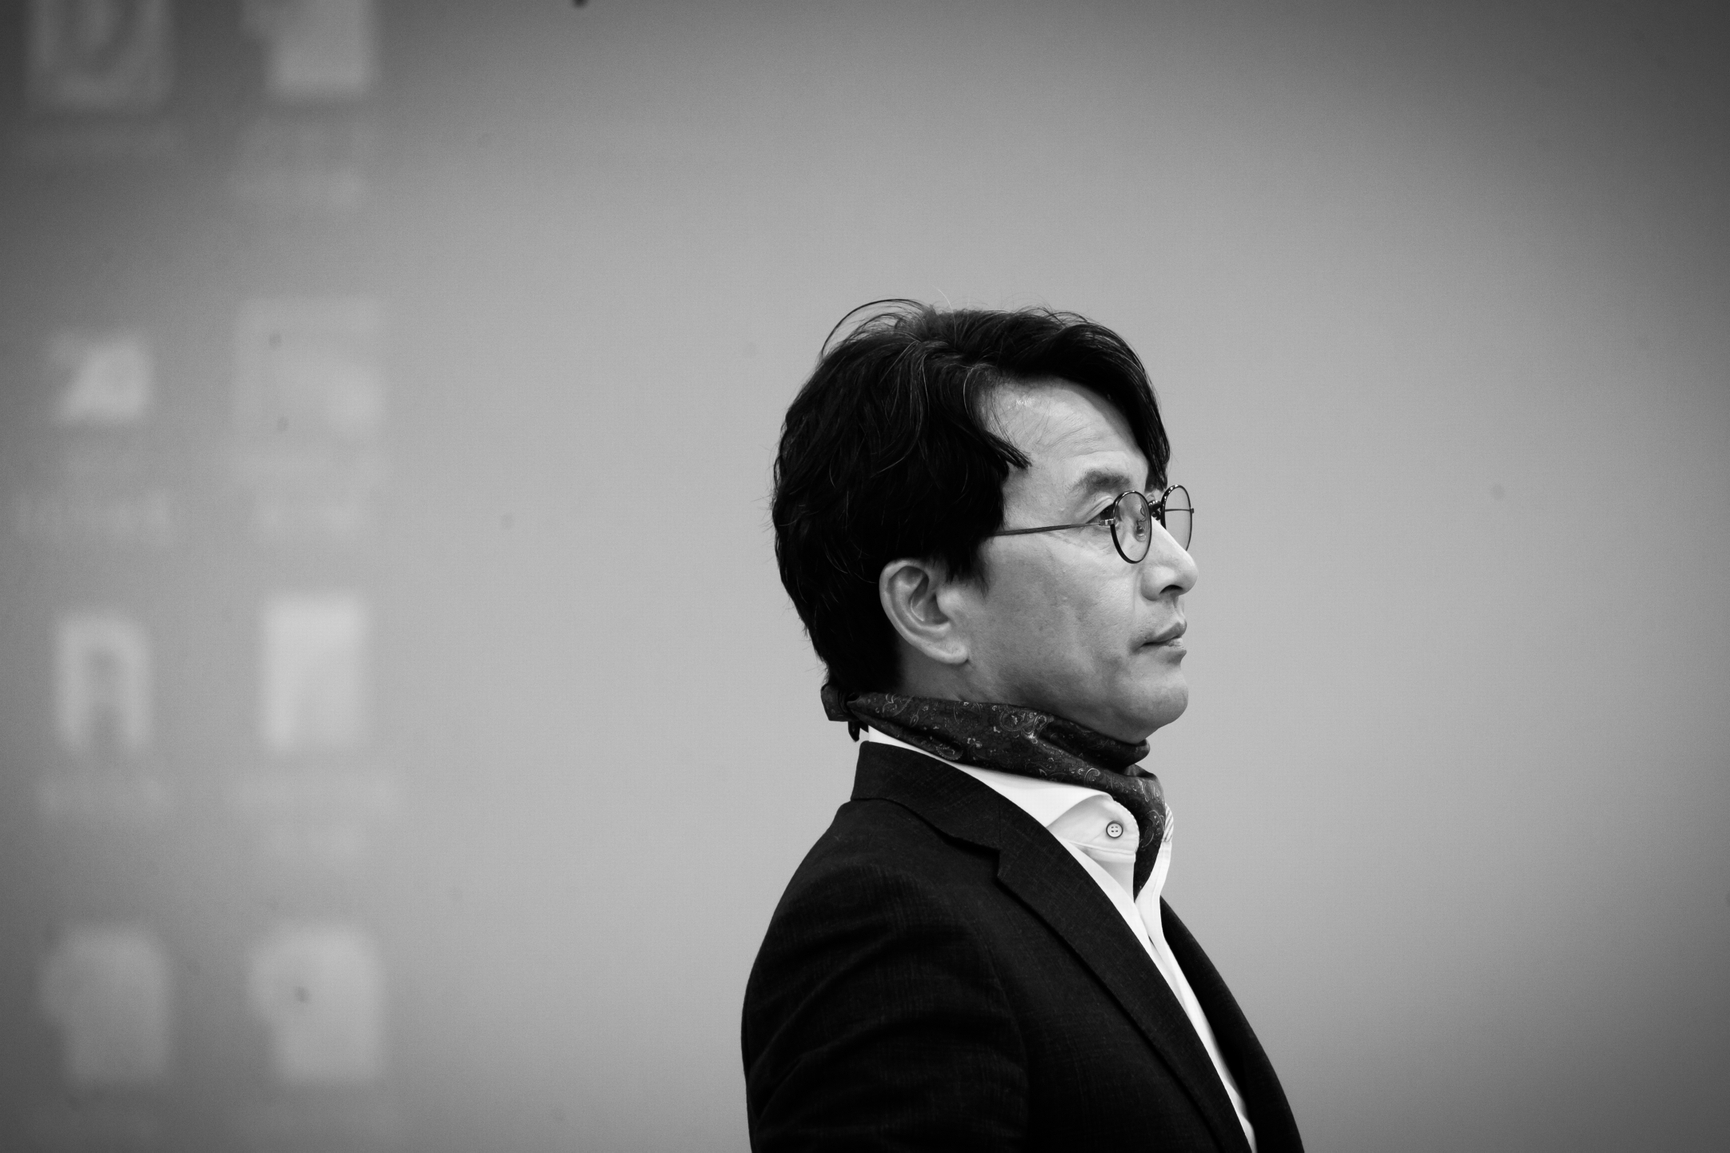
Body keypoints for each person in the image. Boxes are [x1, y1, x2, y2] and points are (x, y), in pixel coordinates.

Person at [742, 301, 1303, 1152]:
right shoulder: (883, 928)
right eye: (1108, 518)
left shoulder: (1085, 860)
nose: (1177, 565)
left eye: (1152, 509)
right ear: (929, 605)